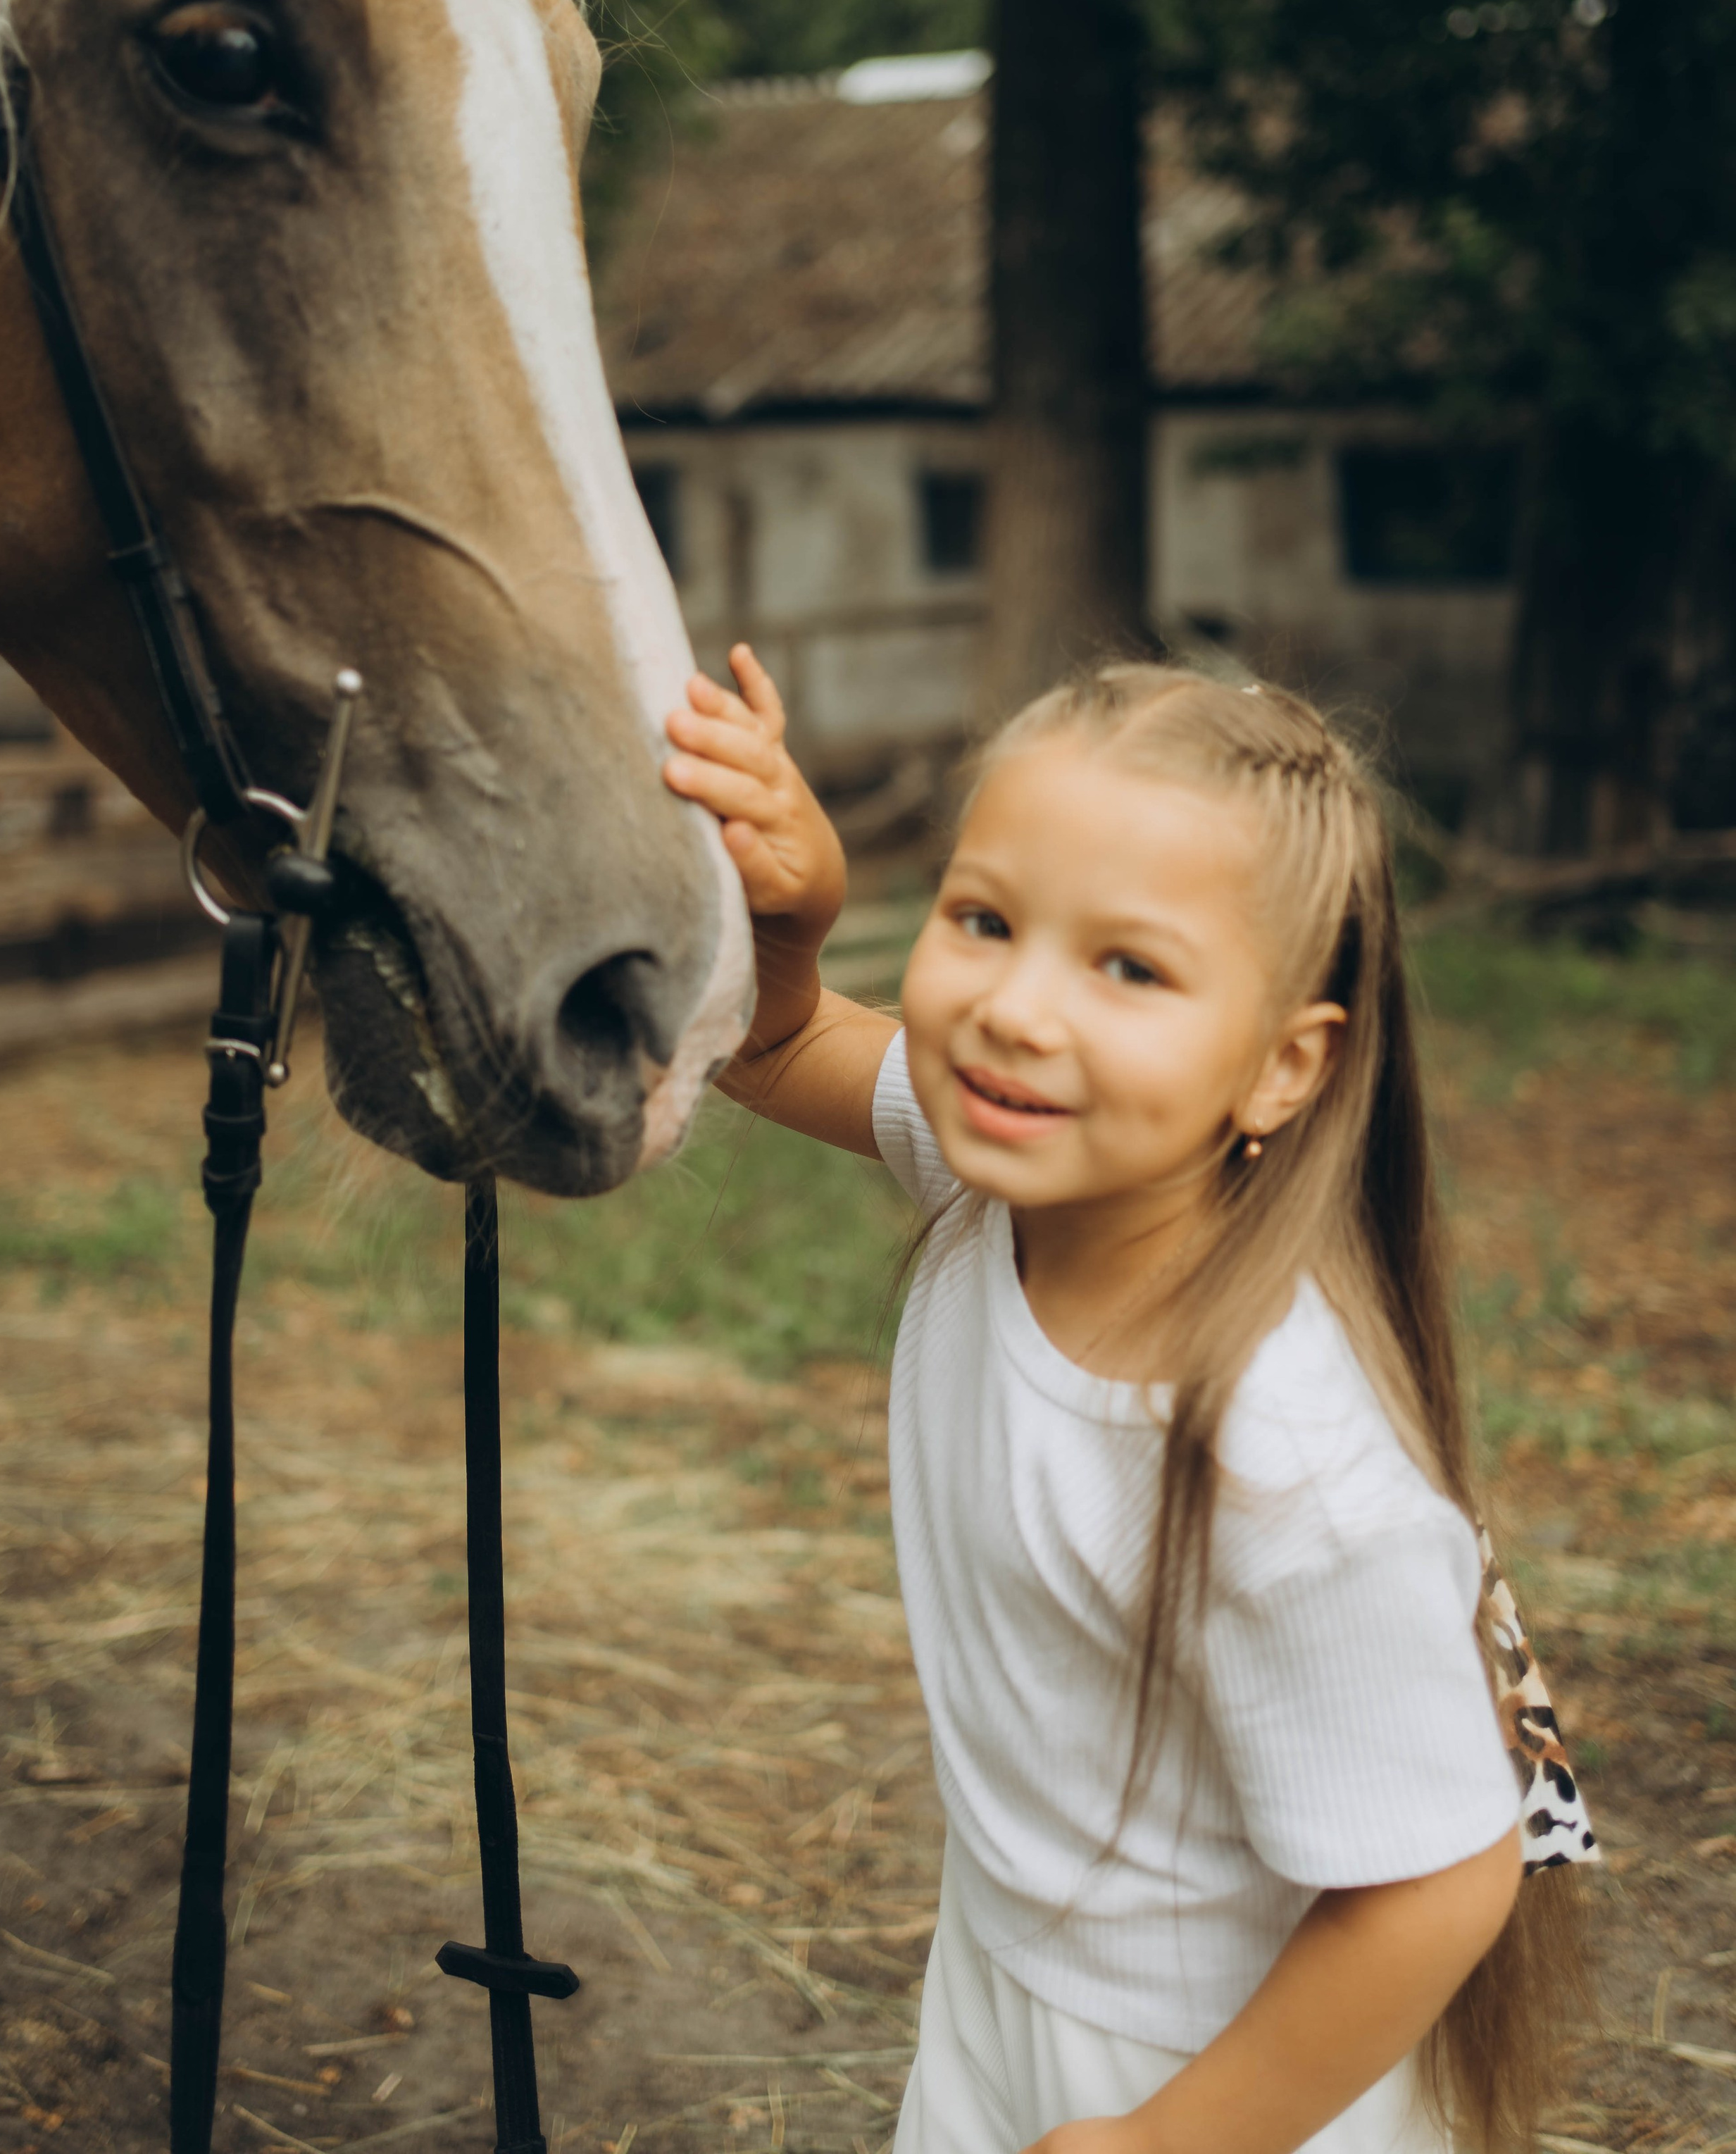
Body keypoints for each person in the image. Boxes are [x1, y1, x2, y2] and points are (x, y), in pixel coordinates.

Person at [663, 649, 1590, 2154]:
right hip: (1003, 1979)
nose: (1017, 1010)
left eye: (1130, 968)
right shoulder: (998, 1169)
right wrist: (793, 928)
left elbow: (1439, 1881)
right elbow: (774, 1050)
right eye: (985, 921)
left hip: (1238, 2071)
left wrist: (1166, 2139)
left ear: (1281, 1069)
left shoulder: (1282, 1460)